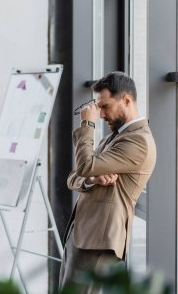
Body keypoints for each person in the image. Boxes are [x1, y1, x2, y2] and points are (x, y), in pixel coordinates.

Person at [59, 71, 156, 292]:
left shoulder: (138, 141)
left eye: (105, 106)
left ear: (126, 100)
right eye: (99, 107)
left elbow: (83, 166)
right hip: (83, 234)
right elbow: (74, 177)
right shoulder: (114, 137)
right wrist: (91, 179)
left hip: (99, 241)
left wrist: (87, 124)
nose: (100, 114)